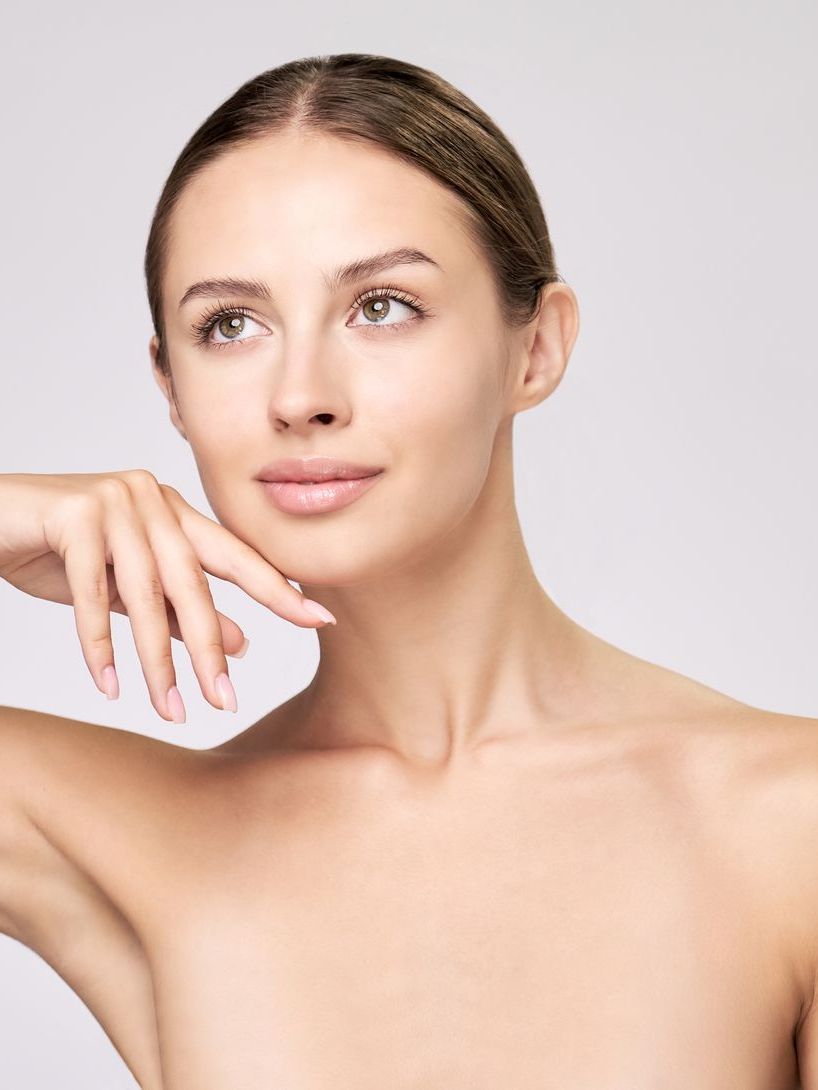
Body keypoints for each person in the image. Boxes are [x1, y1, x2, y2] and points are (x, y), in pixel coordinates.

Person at [1, 51, 816, 1090]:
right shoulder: (141, 839)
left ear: (535, 348)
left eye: (381, 305)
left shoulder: (791, 823)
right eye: (229, 325)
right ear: (169, 386)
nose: (299, 395)